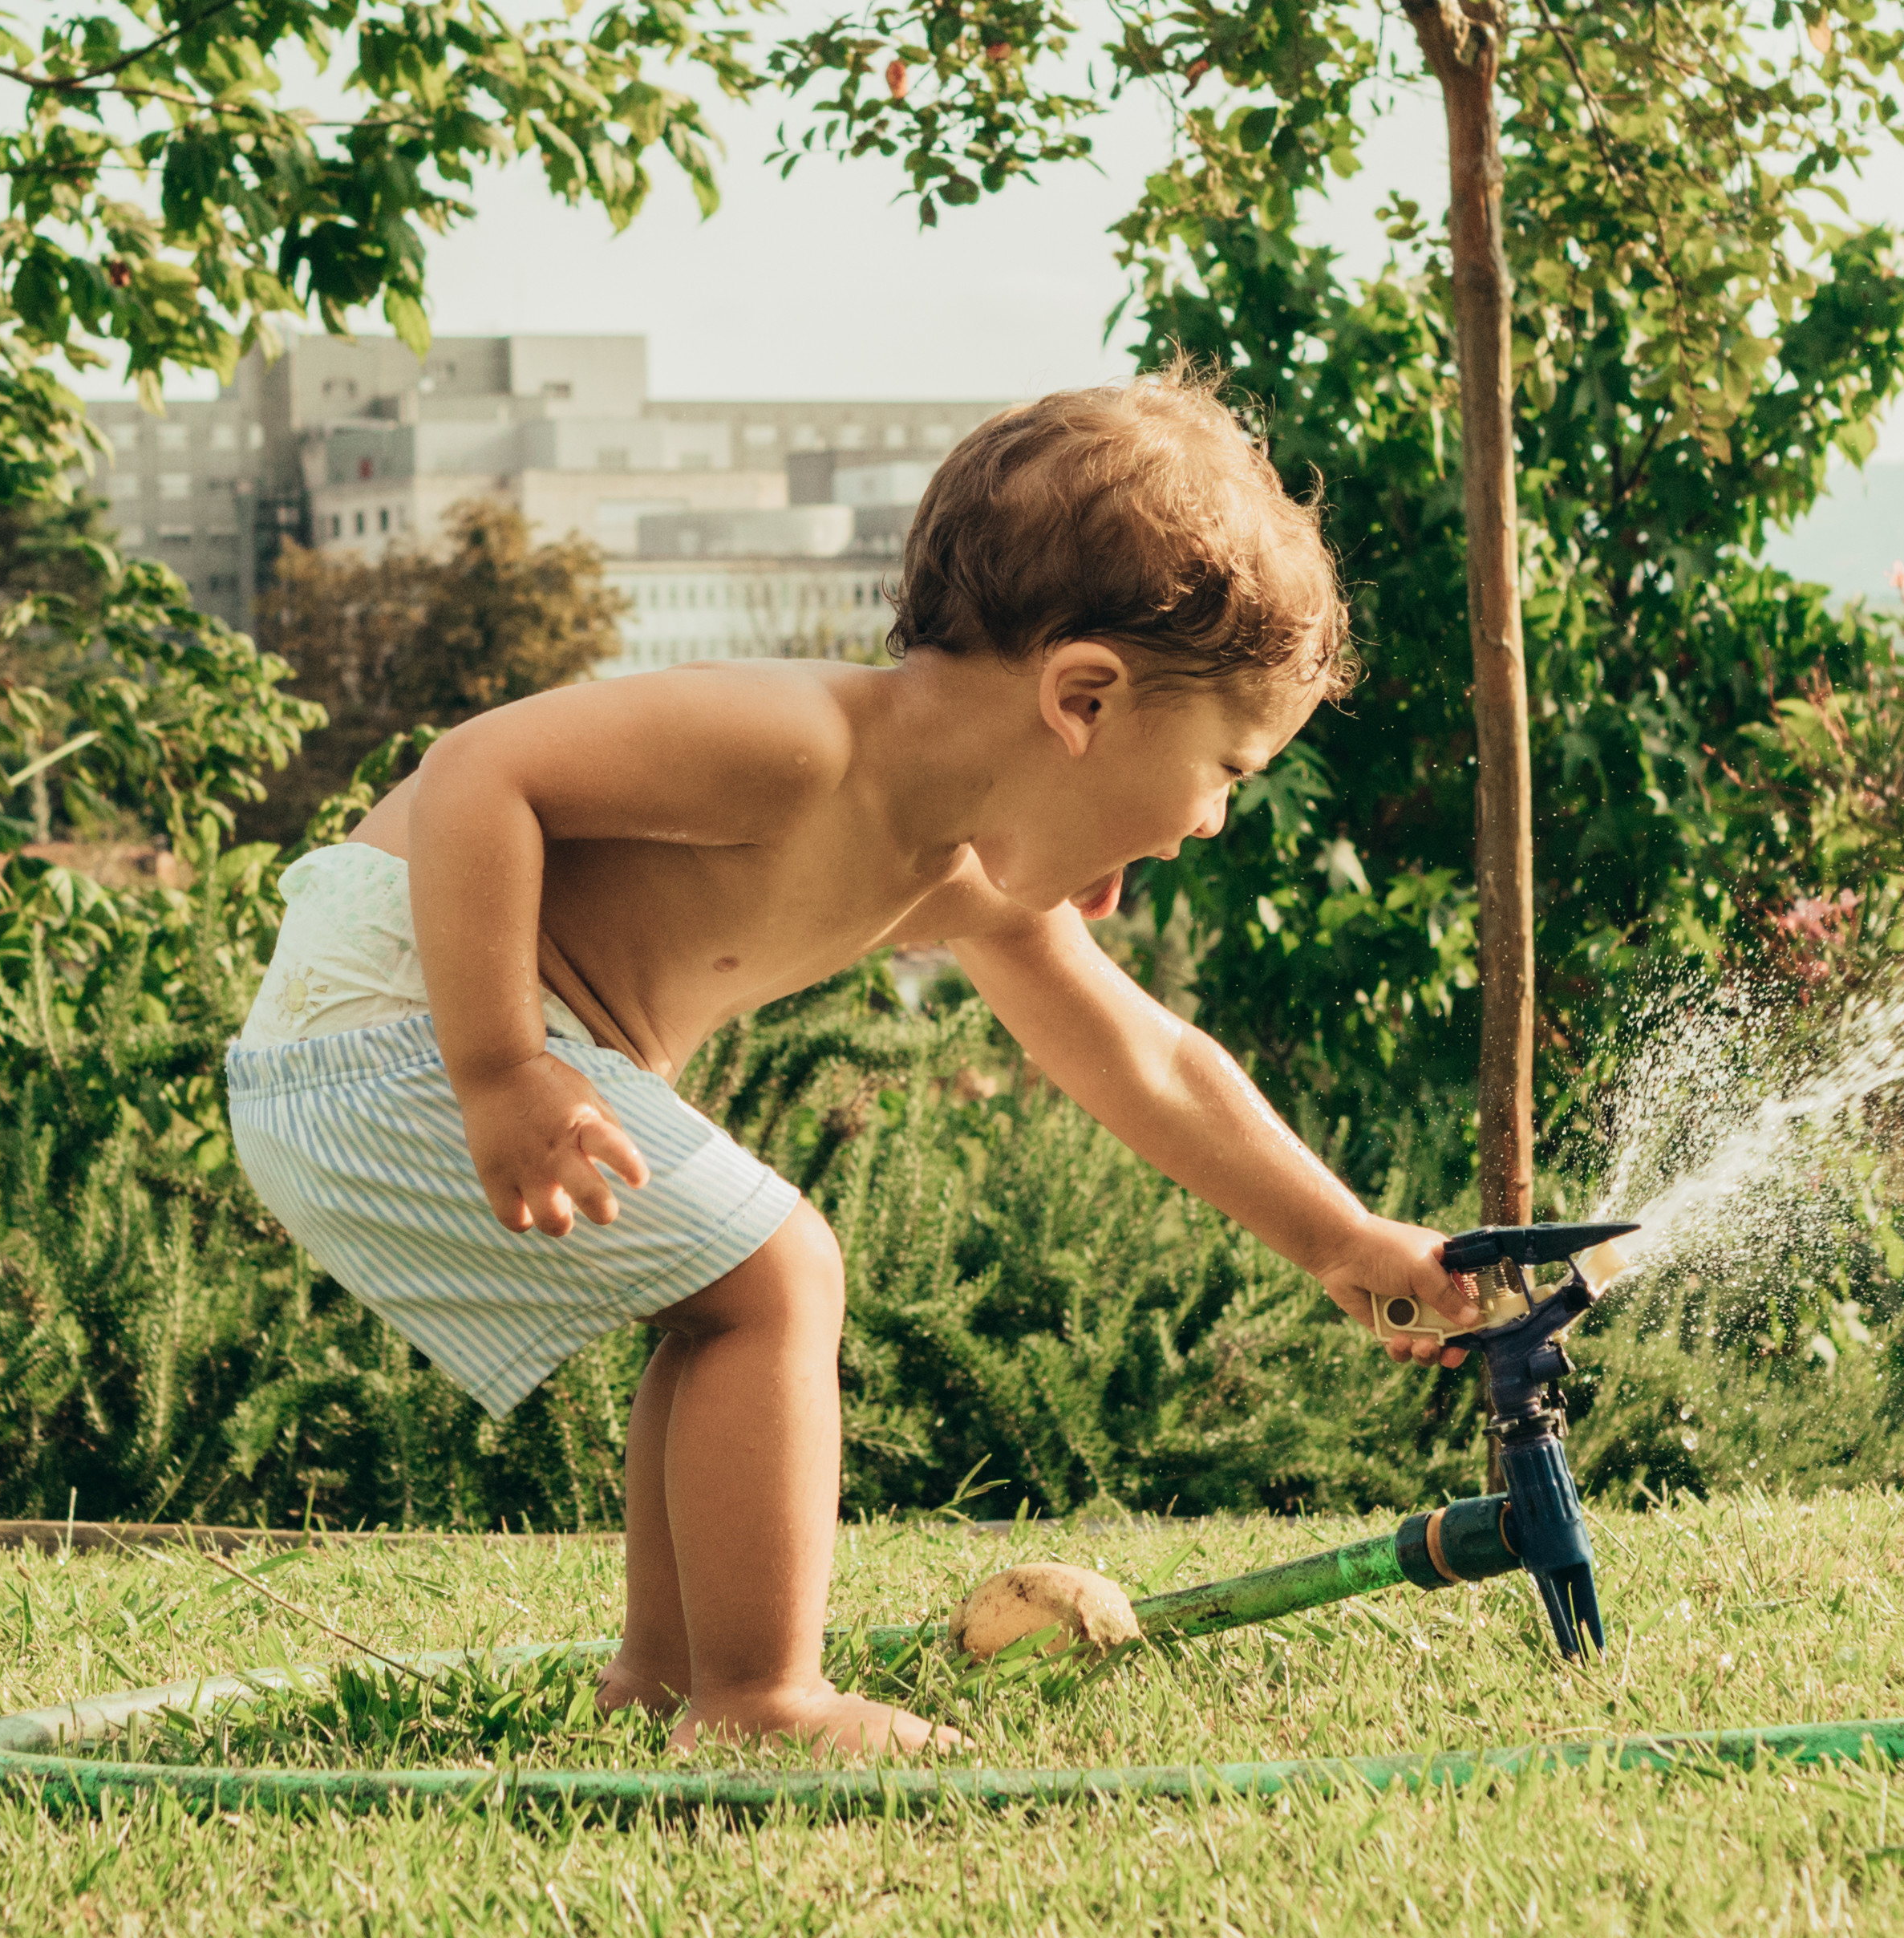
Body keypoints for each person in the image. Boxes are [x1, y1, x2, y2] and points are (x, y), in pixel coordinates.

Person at [225, 371, 1473, 1755]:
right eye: (1228, 766)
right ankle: (762, 1702)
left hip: (411, 1046)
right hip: (390, 1024)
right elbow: (476, 777)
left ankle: (665, 1680)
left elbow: (1145, 1059)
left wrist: (1345, 1240)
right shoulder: (803, 749)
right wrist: (501, 1069)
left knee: (718, 1302)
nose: (1218, 818)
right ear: (1085, 699)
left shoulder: (962, 869)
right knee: (782, 1272)